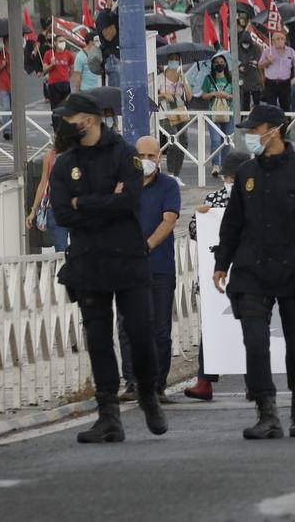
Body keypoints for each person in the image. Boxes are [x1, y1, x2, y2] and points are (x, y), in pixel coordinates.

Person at [47, 94, 166, 443]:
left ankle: (147, 393)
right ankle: (108, 415)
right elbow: (62, 214)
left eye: (73, 117)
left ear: (91, 119)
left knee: (141, 334)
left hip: (128, 258)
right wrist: (104, 202)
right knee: (98, 340)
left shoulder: (124, 154)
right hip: (88, 261)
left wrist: (83, 201)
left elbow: (128, 200)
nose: (68, 123)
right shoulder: (64, 163)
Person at [214, 103, 295, 439]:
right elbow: (232, 222)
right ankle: (267, 413)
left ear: (274, 129)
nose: (251, 136)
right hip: (252, 271)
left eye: (255, 129)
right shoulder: (248, 174)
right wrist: (222, 263)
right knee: (254, 341)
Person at [184, 150, 250, 401]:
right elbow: (193, 231)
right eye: (228, 177)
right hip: (216, 276)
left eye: (234, 177)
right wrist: (201, 217)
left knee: (250, 328)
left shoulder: (258, 198)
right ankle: (204, 381)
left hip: (249, 275)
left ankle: (252, 382)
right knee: (211, 328)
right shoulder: (214, 198)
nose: (230, 181)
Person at [118, 137, 180, 404]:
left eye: (150, 156)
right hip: (127, 268)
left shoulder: (169, 186)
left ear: (159, 158)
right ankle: (132, 382)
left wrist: (147, 246)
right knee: (127, 326)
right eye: (140, 155)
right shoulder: (123, 187)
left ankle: (157, 384)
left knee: (160, 328)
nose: (145, 160)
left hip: (159, 267)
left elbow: (169, 220)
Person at [26, 114, 76, 252]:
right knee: (61, 254)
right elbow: (43, 184)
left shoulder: (79, 155)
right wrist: (33, 211)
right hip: (56, 210)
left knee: (78, 252)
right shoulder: (50, 156)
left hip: (76, 209)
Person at [156, 59, 193, 178]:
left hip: (181, 114)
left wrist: (183, 81)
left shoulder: (182, 77)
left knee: (184, 142)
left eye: (177, 59)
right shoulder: (160, 78)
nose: (174, 62)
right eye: (171, 59)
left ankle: (177, 175)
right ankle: (171, 174)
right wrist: (163, 95)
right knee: (173, 141)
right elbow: (152, 97)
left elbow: (189, 97)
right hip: (165, 114)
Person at [200, 53, 235, 177]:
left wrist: (227, 96)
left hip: (229, 113)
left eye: (221, 62)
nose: (219, 64)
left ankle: (225, 166)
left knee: (227, 141)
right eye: (216, 63)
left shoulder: (231, 79)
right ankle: (216, 165)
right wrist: (214, 94)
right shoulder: (208, 79)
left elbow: (236, 96)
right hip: (213, 113)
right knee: (215, 140)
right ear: (213, 65)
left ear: (225, 64)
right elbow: (203, 95)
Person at [260, 29, 295, 112]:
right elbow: (260, 65)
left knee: (286, 106)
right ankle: (273, 124)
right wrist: (268, 61)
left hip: (285, 83)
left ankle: (286, 124)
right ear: (273, 41)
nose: (280, 41)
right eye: (278, 39)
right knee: (271, 107)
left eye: (282, 39)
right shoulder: (267, 51)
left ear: (285, 40)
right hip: (271, 83)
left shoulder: (290, 51)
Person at [236, 13, 264, 111]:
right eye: (244, 43)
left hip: (254, 76)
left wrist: (254, 62)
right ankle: (245, 116)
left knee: (256, 99)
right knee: (245, 100)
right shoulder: (238, 49)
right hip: (243, 77)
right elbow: (235, 61)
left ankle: (257, 114)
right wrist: (240, 67)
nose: (246, 45)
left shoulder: (256, 47)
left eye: (247, 43)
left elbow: (258, 60)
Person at [42, 37, 76, 110]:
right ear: (55, 42)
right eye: (60, 41)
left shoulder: (68, 54)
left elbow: (72, 68)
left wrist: (66, 77)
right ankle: (56, 121)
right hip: (53, 84)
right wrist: (51, 65)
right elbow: (44, 70)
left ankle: (64, 121)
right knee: (56, 108)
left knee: (66, 107)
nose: (63, 43)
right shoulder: (49, 53)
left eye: (64, 41)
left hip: (65, 84)